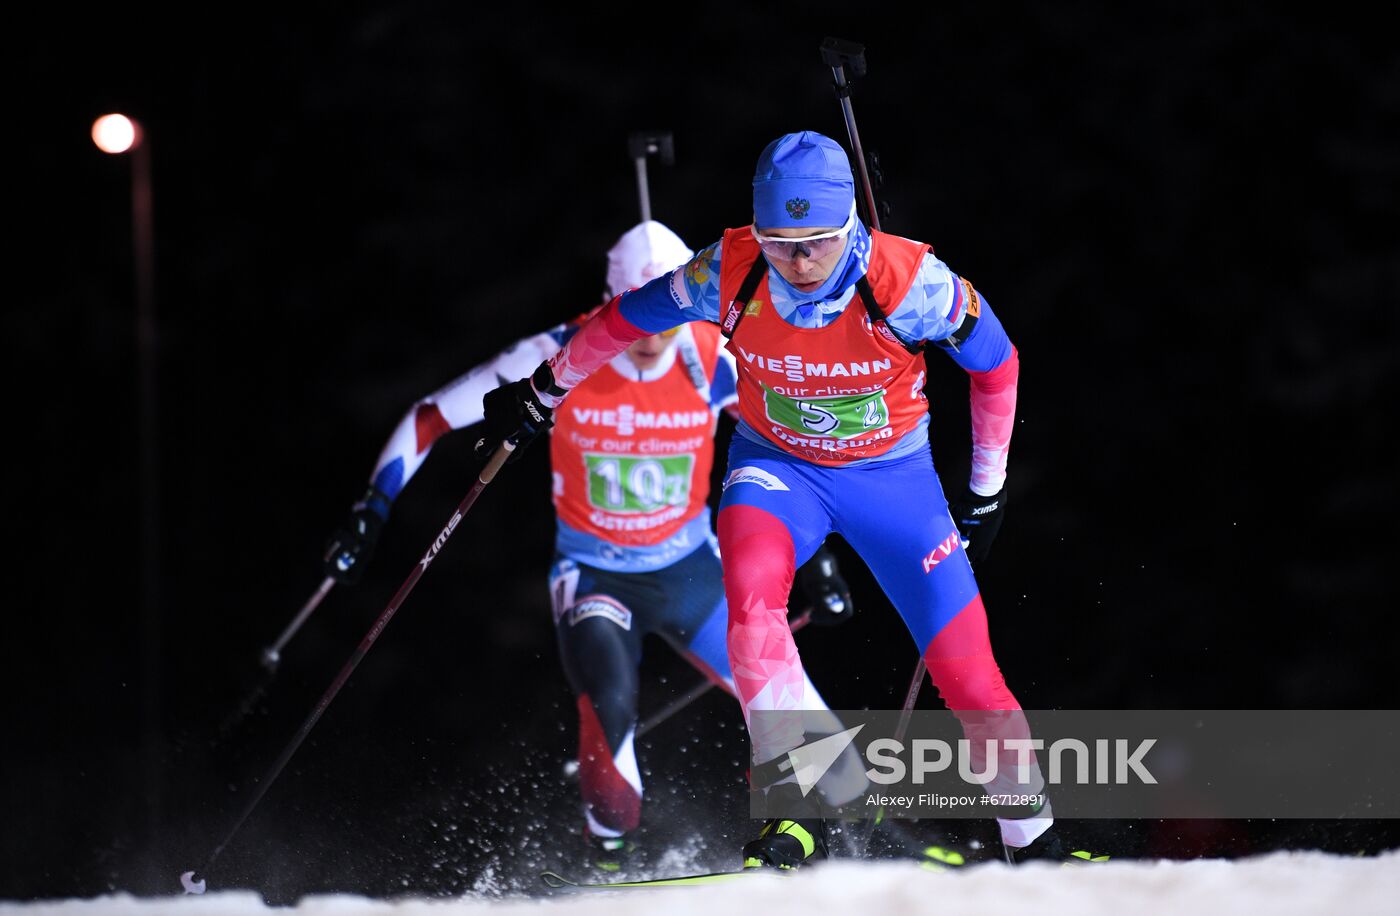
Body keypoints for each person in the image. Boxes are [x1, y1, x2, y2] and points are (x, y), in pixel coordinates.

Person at [478, 131, 1061, 869]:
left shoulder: (911, 282)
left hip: (894, 484)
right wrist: (544, 390)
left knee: (970, 675)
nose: (798, 261)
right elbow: (627, 319)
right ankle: (792, 813)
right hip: (779, 472)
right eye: (779, 242)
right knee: (751, 605)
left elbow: (997, 363)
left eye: (815, 242)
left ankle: (1035, 846)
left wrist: (988, 484)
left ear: (847, 225)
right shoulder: (729, 268)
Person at [323, 220, 866, 874]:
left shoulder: (709, 352)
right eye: (637, 319)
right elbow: (428, 418)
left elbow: (784, 445)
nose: (651, 339)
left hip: (691, 567)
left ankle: (873, 843)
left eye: (665, 317)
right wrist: (371, 511)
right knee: (610, 706)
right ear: (613, 305)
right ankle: (613, 860)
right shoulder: (558, 355)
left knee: (794, 705)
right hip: (596, 576)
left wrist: (818, 556)